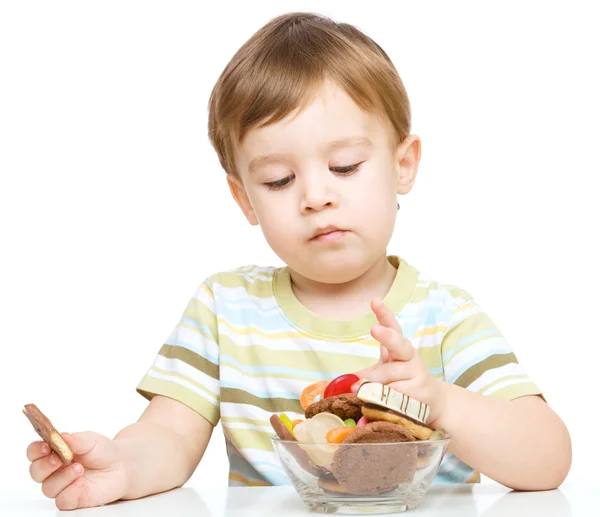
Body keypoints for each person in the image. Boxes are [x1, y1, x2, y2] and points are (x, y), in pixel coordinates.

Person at [26, 12, 571, 510]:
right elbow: (167, 437)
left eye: (346, 165)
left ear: (403, 165)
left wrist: (441, 402)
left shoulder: (445, 314)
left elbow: (547, 458)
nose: (315, 196)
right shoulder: (225, 309)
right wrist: (122, 467)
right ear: (245, 199)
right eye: (279, 180)